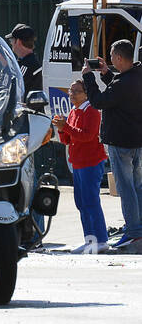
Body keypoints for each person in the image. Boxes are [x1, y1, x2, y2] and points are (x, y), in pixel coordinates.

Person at [81, 39, 142, 250]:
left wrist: (88, 77)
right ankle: (138, 228)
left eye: (112, 56)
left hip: (122, 142)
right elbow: (118, 93)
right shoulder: (135, 76)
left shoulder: (124, 83)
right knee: (137, 186)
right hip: (137, 142)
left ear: (118, 58)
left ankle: (134, 232)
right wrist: (106, 74)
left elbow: (98, 101)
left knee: (127, 189)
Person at [53, 79, 110, 253]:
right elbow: (67, 140)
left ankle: (101, 240)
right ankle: (90, 240)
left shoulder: (92, 110)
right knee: (81, 203)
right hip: (78, 163)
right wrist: (62, 129)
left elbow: (87, 136)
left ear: (86, 93)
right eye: (71, 91)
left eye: (76, 91)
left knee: (91, 201)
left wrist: (66, 127)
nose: (72, 94)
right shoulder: (74, 111)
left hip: (91, 162)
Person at [6, 24, 42, 93]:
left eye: (12, 40)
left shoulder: (28, 65)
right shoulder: (22, 62)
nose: (11, 43)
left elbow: (16, 90)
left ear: (18, 41)